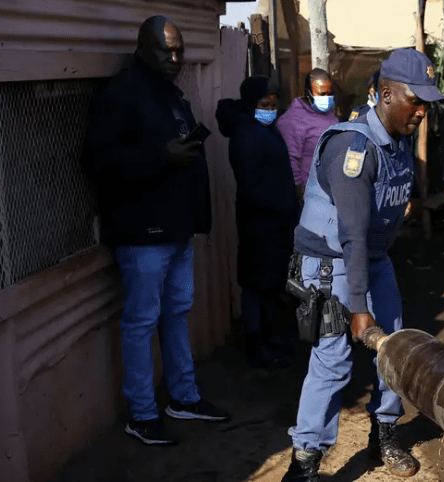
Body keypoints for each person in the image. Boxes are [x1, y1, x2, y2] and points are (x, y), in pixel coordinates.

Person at [281, 48, 444, 482]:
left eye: (428, 102)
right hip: (330, 262)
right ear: (387, 93)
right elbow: (351, 234)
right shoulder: (353, 149)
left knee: (392, 346)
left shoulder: (398, 143)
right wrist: (359, 308)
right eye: (417, 100)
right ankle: (304, 463)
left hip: (372, 258)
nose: (422, 111)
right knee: (333, 361)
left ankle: (384, 433)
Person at [83, 15, 229, 446]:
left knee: (176, 314)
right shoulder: (121, 93)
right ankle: (142, 414)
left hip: (176, 228)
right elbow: (97, 160)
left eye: (179, 50)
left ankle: (183, 397)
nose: (175, 58)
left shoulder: (170, 94)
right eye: (166, 50)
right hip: (142, 234)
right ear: (142, 49)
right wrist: (160, 156)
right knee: (140, 323)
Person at [216, 76, 300, 370]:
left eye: (274, 104)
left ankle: (267, 336)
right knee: (255, 284)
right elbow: (251, 186)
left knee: (269, 283)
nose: (271, 109)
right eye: (265, 104)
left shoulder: (263, 129)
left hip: (275, 222)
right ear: (252, 105)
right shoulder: (247, 135)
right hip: (259, 223)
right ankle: (255, 343)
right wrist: (278, 208)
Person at [278, 68, 340, 203]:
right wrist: (299, 195)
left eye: (329, 94)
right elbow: (291, 160)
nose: (326, 99)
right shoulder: (293, 120)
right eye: (322, 94)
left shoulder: (330, 113)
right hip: (310, 194)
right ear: (308, 93)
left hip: (332, 190)